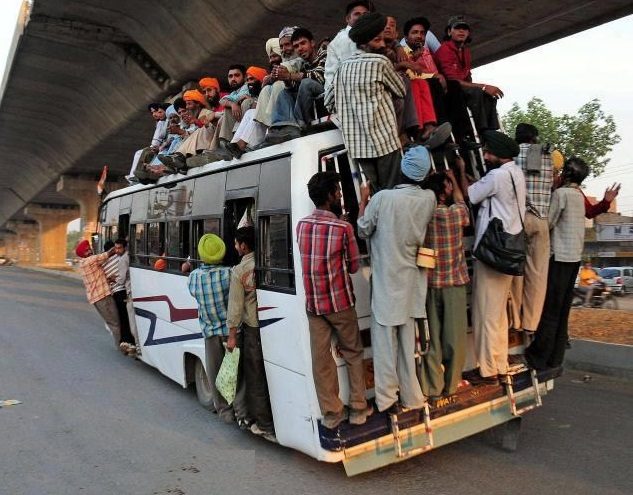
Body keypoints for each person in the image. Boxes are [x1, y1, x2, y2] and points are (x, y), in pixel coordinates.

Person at [357, 146, 436, 413]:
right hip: (413, 284)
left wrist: (363, 200)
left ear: (403, 169)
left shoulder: (382, 199)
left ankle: (387, 400)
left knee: (384, 347)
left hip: (386, 284)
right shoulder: (429, 199)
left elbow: (363, 229)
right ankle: (413, 397)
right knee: (407, 345)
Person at [296, 171, 372, 429]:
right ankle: (359, 408)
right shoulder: (343, 228)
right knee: (352, 352)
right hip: (340, 304)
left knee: (322, 361)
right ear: (329, 196)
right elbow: (352, 267)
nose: (340, 195)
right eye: (338, 192)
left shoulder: (302, 225)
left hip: (314, 305)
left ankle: (332, 412)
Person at [467, 131, 526, 386]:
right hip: (508, 251)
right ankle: (500, 364)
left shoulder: (496, 175)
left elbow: (470, 195)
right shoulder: (517, 173)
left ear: (498, 155)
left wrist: (460, 173)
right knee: (499, 313)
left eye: (488, 152)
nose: (485, 155)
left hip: (491, 254)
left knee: (486, 313)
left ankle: (488, 371)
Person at [525, 158, 590, 370]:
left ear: (567, 174)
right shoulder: (579, 196)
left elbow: (549, 222)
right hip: (574, 259)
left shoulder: (560, 194)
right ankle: (556, 357)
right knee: (563, 310)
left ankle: (539, 356)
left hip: (559, 257)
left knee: (551, 309)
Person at [329, 12, 405, 192]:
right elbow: (401, 90)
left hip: (358, 148)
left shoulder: (341, 69)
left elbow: (329, 100)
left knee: (376, 197)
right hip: (386, 142)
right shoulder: (380, 62)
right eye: (377, 40)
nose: (382, 44)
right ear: (364, 43)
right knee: (393, 194)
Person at [421, 158, 470, 399]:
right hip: (454, 285)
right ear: (444, 192)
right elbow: (463, 203)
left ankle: (432, 387)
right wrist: (455, 176)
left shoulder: (422, 216)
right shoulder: (455, 214)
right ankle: (451, 386)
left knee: (432, 340)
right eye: (448, 186)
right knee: (455, 339)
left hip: (429, 286)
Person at [188, 234, 246, 423]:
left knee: (216, 373)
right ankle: (241, 412)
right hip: (231, 333)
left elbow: (193, 291)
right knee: (235, 373)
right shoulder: (230, 274)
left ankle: (224, 411)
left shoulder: (194, 278)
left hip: (210, 334)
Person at [226, 226, 275, 439]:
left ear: (243, 245)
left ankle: (264, 423)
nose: (235, 247)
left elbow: (235, 308)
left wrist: (232, 335)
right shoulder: (269, 260)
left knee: (255, 376)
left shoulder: (239, 271)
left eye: (237, 243)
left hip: (253, 329)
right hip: (274, 323)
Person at [509, 123, 553, 333]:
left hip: (519, 219)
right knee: (537, 275)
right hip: (541, 220)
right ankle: (530, 324)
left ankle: (515, 319)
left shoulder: (512, 157)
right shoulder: (547, 156)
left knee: (517, 270)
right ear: (534, 138)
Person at [433, 16, 502, 136]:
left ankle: (492, 132)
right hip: (448, 92)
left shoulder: (465, 51)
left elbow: (467, 76)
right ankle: (483, 132)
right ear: (449, 32)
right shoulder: (444, 50)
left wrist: (483, 89)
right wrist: (484, 87)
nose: (461, 31)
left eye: (464, 29)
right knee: (478, 92)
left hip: (462, 89)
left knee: (489, 95)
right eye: (457, 28)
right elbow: (452, 80)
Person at [75, 240, 122, 349]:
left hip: (98, 298)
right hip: (103, 297)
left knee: (112, 322)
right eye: (86, 250)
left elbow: (96, 277)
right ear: (83, 254)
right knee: (115, 323)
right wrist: (121, 243)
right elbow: (110, 253)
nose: (90, 251)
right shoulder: (90, 260)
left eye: (89, 248)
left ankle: (120, 344)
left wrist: (108, 279)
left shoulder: (83, 264)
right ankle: (121, 346)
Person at [323, 1, 374, 98]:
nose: (362, 17)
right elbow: (356, 73)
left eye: (365, 14)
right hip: (346, 96)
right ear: (348, 19)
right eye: (357, 14)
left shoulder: (367, 35)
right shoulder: (345, 38)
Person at [102, 240, 136, 355]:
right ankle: (128, 342)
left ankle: (126, 341)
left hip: (116, 292)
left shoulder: (103, 263)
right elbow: (121, 279)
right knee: (125, 317)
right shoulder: (120, 258)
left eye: (118, 248)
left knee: (122, 318)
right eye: (115, 249)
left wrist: (112, 279)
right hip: (122, 291)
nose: (116, 251)